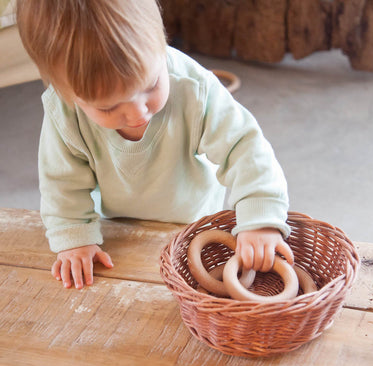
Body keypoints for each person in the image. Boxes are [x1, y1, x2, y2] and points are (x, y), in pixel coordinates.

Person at [16, 0, 294, 289]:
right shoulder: (64, 113)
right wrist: (73, 238)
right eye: (109, 108)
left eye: (150, 86)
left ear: (161, 43)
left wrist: (260, 220)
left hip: (193, 224)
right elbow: (61, 182)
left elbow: (244, 149)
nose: (137, 113)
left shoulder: (193, 87)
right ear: (67, 94)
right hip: (117, 228)